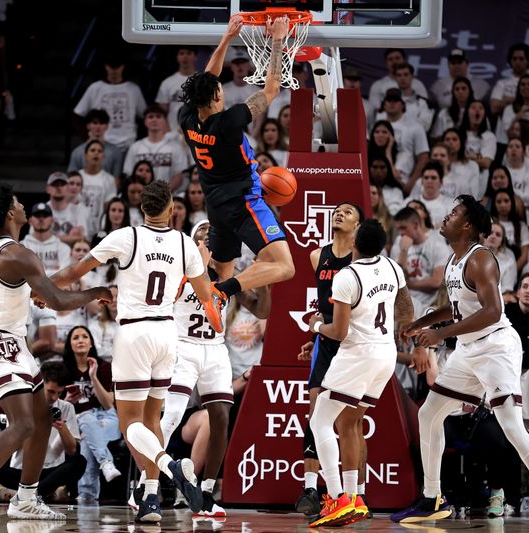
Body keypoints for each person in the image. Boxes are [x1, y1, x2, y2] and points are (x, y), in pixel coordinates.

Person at [391, 195, 529, 531]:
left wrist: (440, 335)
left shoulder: (481, 260)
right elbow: (460, 307)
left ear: (468, 225)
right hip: (468, 349)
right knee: (430, 412)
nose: (446, 217)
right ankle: (433, 499)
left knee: (512, 428)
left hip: (496, 347)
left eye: (454, 213)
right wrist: (423, 324)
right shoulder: (453, 261)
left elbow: (492, 312)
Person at [49, 181, 220, 522]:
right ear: (172, 209)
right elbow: (205, 294)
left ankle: (169, 466)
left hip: (134, 333)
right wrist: (215, 315)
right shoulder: (185, 242)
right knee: (152, 418)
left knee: (130, 423)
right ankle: (152, 499)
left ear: (141, 209)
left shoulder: (126, 236)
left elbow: (75, 271)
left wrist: (44, 288)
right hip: (167, 333)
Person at [0, 183, 111, 523]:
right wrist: (97, 291)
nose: (24, 206)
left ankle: (27, 498)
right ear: (9, 213)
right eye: (18, 203)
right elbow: (58, 301)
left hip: (11, 340)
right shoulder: (20, 253)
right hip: (2, 343)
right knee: (21, 423)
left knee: (41, 419)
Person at [177, 16, 295, 303]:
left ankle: (209, 293)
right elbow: (271, 89)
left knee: (224, 269)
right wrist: (278, 40)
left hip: (215, 204)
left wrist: (227, 38)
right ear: (216, 98)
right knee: (284, 266)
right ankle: (221, 291)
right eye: (219, 89)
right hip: (243, 202)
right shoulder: (229, 122)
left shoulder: (187, 117)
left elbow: (206, 79)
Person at [307, 219, 413, 527]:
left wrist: (314, 325)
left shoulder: (347, 276)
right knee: (349, 422)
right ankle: (354, 499)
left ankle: (337, 497)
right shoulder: (394, 268)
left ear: (355, 243)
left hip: (357, 355)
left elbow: (338, 332)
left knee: (320, 421)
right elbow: (406, 310)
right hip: (385, 355)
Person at [157, 220, 252, 517]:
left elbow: (262, 309)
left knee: (221, 417)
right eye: (201, 232)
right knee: (170, 416)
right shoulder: (178, 269)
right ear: (191, 240)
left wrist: (265, 279)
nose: (207, 236)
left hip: (214, 348)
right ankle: (149, 484)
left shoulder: (226, 276)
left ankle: (207, 491)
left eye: (212, 232)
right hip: (183, 345)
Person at [294, 202, 362, 516]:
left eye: (348, 211)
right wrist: (314, 338)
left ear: (358, 225)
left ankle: (356, 494)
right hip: (326, 341)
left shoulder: (361, 260)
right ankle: (310, 489)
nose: (340, 213)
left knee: (351, 422)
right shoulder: (315, 256)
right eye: (337, 210)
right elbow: (324, 306)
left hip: (354, 344)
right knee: (315, 412)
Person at [0, 361, 86, 504]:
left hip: (52, 471)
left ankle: (25, 495)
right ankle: (46, 494)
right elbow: (12, 447)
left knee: (80, 461)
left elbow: (72, 450)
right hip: (22, 470)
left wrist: (62, 427)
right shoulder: (22, 406)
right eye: (51, 392)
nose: (54, 398)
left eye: (59, 393)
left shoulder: (66, 407)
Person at [60, 325, 122, 503]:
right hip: (76, 420)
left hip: (106, 418)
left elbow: (108, 403)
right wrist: (68, 400)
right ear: (69, 344)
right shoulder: (64, 369)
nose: (80, 340)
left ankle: (87, 494)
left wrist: (93, 377)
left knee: (88, 434)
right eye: (76, 337)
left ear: (91, 343)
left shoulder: (103, 367)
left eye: (85, 337)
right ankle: (106, 464)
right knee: (86, 423)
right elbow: (58, 405)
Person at [73, 52, 146, 154]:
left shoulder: (133, 89)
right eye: (111, 66)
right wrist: (87, 136)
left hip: (128, 143)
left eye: (117, 66)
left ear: (122, 67)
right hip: (102, 144)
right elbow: (78, 115)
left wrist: (138, 138)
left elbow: (144, 116)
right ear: (106, 67)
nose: (114, 70)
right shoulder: (95, 88)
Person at [122, 106, 190, 193]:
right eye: (150, 117)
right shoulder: (135, 147)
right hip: (141, 197)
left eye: (158, 116)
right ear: (145, 121)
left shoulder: (176, 148)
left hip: (168, 197)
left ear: (165, 121)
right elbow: (129, 174)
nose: (154, 120)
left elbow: (179, 175)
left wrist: (164, 192)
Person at [68, 109, 124, 177]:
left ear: (107, 126)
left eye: (102, 123)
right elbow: (71, 178)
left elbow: (116, 179)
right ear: (88, 125)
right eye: (95, 123)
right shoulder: (77, 152)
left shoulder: (115, 152)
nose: (98, 126)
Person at [21, 202, 72, 275]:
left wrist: (36, 270)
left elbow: (64, 275)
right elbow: (23, 274)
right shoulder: (22, 246)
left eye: (45, 215)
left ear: (52, 221)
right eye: (37, 216)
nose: (41, 219)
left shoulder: (63, 248)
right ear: (30, 221)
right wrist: (53, 269)